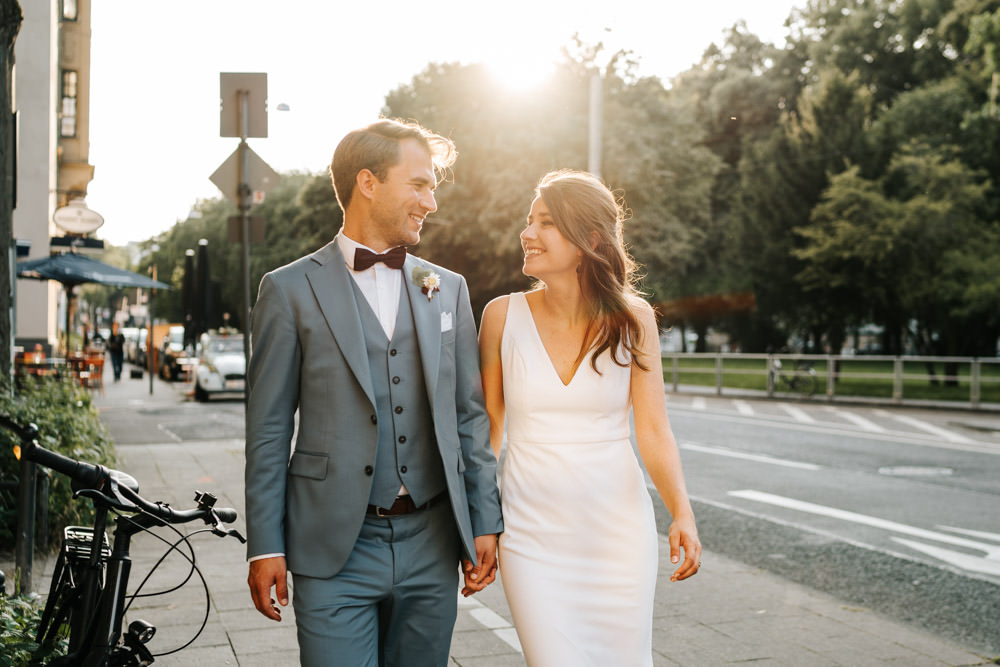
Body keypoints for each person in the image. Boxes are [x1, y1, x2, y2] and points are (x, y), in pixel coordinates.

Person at [245, 118, 503, 667]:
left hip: (433, 542)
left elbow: (468, 417)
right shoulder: (288, 290)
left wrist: (485, 520)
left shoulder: (448, 289)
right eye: (419, 184)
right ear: (368, 182)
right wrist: (266, 543)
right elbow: (268, 430)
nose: (431, 202)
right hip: (333, 547)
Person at [478, 170, 702, 665]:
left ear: (589, 241)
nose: (527, 233)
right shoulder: (500, 316)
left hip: (617, 533)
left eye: (546, 223)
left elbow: (653, 429)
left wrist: (680, 512)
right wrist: (480, 523)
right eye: (530, 220)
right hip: (529, 532)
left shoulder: (634, 318)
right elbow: (487, 434)